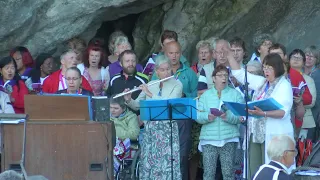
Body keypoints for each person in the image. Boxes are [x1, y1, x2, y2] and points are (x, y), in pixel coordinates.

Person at [227, 52, 294, 178]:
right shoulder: (262, 82)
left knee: (271, 170)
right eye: (264, 68)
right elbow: (241, 74)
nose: (266, 71)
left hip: (274, 136)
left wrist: (262, 113)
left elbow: (283, 112)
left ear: (277, 68)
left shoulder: (284, 85)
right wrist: (229, 55)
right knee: (254, 168)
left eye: (269, 68)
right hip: (255, 133)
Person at [124, 55, 183, 180]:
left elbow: (168, 103)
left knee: (167, 165)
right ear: (157, 71)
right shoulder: (151, 84)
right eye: (162, 70)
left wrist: (149, 93)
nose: (166, 72)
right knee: (151, 163)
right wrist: (128, 99)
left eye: (168, 69)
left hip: (167, 131)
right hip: (151, 131)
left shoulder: (177, 85)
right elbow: (137, 106)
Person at [152, 41, 197, 180]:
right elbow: (155, 93)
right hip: (162, 121)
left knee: (181, 156)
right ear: (166, 54)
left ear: (181, 54)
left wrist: (183, 96)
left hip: (183, 120)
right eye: (171, 53)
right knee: (163, 156)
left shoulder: (189, 73)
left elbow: (196, 95)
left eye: (177, 53)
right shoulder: (157, 74)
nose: (174, 56)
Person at [197, 65, 244, 180]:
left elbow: (241, 116)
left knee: (228, 173)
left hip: (229, 138)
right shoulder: (205, 96)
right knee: (208, 173)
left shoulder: (235, 94)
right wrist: (207, 116)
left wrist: (227, 116)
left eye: (226, 75)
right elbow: (197, 115)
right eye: (220, 75)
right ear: (213, 79)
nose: (223, 78)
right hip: (209, 139)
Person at [288, 49, 316, 140]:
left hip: (304, 119)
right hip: (287, 117)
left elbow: (311, 101)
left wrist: (297, 97)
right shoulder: (283, 75)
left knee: (301, 150)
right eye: (294, 57)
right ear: (289, 60)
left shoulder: (308, 79)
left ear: (304, 62)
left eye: (299, 58)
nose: (296, 59)